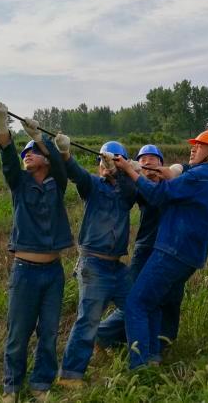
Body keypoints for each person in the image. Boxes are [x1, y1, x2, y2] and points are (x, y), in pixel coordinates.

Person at [114, 130, 208, 369]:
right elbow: (177, 182)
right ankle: (153, 356)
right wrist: (164, 172)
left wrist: (130, 170)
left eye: (200, 146)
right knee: (154, 302)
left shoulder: (197, 176)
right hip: (190, 257)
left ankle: (140, 365)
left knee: (136, 303)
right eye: (193, 145)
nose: (193, 149)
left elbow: (157, 195)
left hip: (172, 250)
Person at [0, 101, 73, 403]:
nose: (27, 155)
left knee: (48, 332)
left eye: (33, 152)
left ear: (47, 161)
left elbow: (62, 166)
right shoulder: (19, 184)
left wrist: (40, 138)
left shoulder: (56, 184)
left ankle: (41, 383)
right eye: (25, 153)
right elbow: (8, 157)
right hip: (24, 272)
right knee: (18, 333)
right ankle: (11, 388)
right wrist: (2, 125)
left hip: (53, 272)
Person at [55, 136, 137, 386]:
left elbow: (132, 187)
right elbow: (76, 174)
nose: (106, 166)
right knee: (88, 319)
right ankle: (70, 375)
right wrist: (65, 153)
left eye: (112, 162)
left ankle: (104, 338)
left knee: (136, 306)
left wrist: (122, 171)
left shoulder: (126, 193)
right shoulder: (92, 186)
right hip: (93, 265)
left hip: (116, 267)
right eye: (102, 162)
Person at [96, 144, 183, 352]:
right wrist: (117, 170)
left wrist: (175, 170)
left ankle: (163, 339)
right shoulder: (140, 188)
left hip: (172, 250)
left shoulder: (174, 185)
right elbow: (126, 187)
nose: (147, 162)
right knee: (136, 297)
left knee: (171, 296)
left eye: (152, 159)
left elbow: (183, 171)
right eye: (143, 160)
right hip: (146, 248)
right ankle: (103, 334)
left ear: (161, 164)